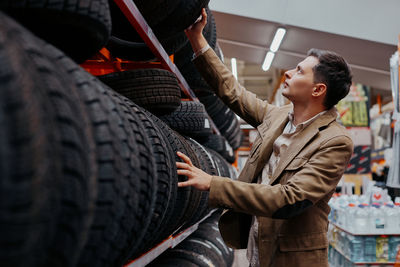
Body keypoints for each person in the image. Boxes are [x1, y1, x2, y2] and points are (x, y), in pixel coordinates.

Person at [176, 8, 354, 267]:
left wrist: (214, 184)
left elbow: (288, 199)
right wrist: (197, 39)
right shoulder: (278, 117)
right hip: (257, 249)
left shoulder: (334, 141)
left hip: (291, 260)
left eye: (300, 71)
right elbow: (232, 92)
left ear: (318, 89)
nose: (289, 73)